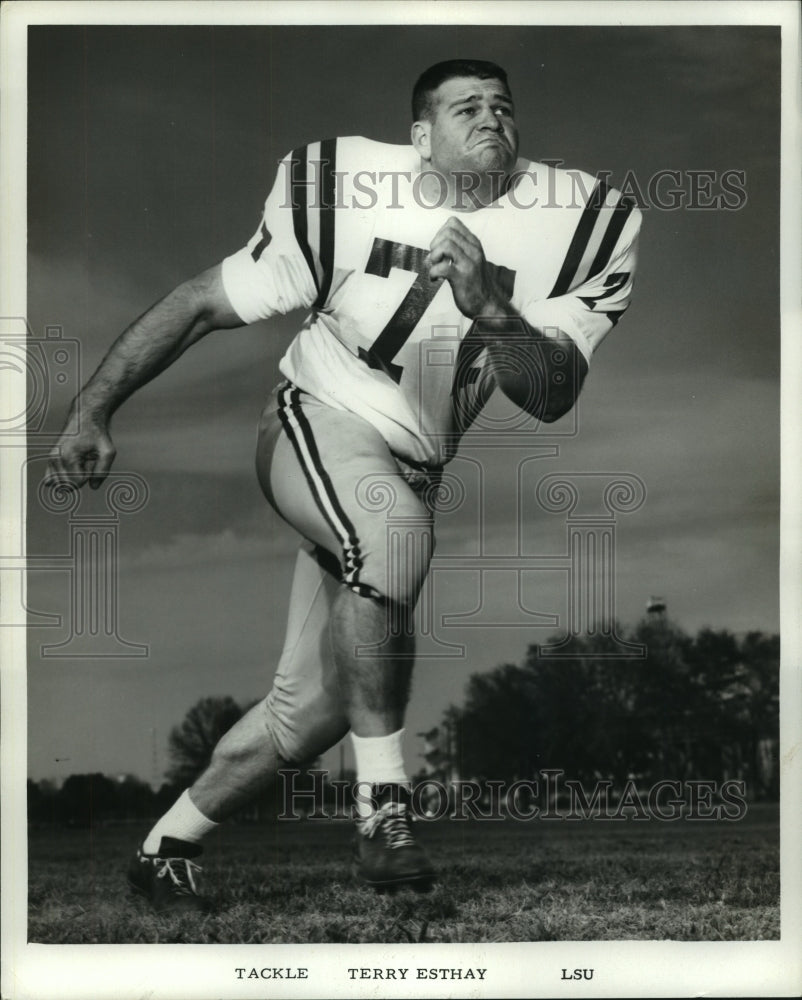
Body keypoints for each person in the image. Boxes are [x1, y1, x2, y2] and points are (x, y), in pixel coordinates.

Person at [46, 59, 641, 911]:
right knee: (391, 537)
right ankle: (384, 812)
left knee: (312, 712)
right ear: (419, 135)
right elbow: (200, 303)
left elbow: (549, 396)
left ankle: (166, 844)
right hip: (317, 417)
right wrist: (93, 409)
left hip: (415, 466)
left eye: (504, 107)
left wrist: (493, 311)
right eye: (465, 107)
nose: (492, 119)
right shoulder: (345, 187)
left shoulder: (585, 218)